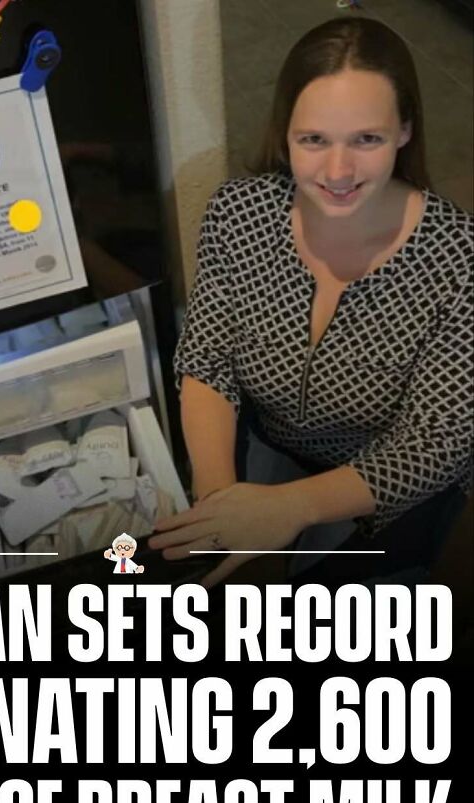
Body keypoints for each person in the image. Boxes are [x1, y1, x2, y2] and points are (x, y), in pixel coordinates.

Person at [149, 17, 473, 588]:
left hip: (386, 486)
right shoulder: (237, 213)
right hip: (270, 445)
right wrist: (220, 502)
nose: (338, 172)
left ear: (404, 132)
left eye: (366, 139)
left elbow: (437, 441)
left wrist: (290, 508)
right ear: (285, 133)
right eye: (314, 140)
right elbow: (206, 358)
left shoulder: (458, 259)